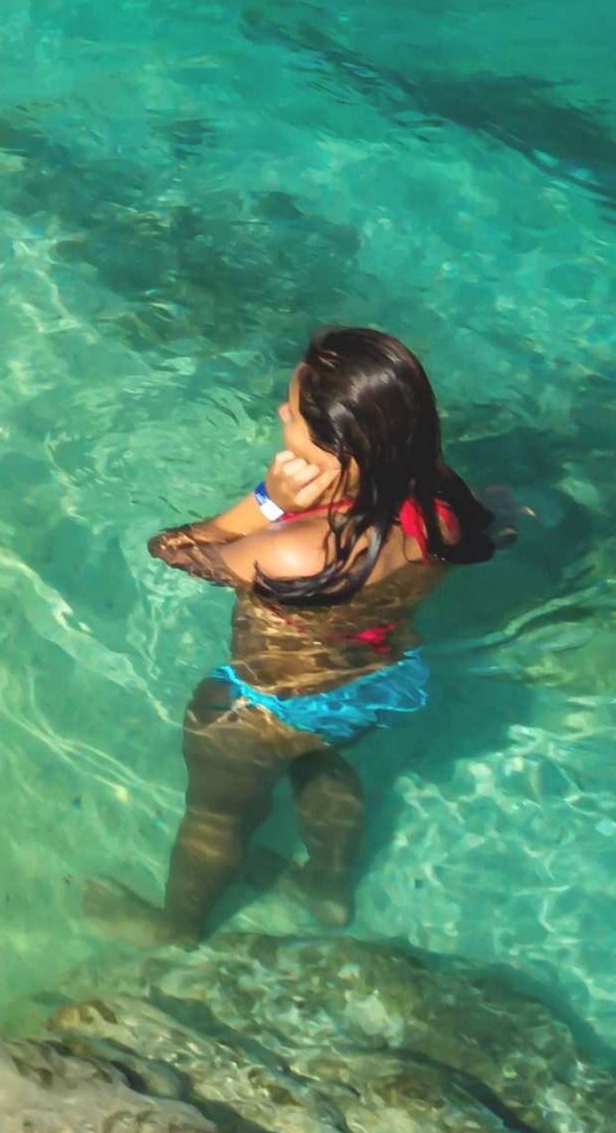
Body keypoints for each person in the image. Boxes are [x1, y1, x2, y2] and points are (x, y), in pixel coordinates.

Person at [85, 324, 497, 945]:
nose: (280, 411)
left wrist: (269, 501)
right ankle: (327, 887)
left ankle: (176, 928)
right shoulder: (440, 503)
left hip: (266, 705)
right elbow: (494, 527)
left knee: (214, 819)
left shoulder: (296, 552)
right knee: (317, 758)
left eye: (294, 410)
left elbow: (175, 549)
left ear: (335, 448)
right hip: (374, 684)